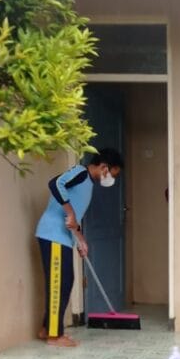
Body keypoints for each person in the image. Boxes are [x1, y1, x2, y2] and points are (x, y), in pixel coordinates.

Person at [35, 148, 124, 347]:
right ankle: (54, 335)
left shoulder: (88, 184)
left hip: (63, 237)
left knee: (64, 281)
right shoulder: (81, 173)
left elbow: (73, 219)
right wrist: (70, 212)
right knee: (60, 283)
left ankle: (45, 328)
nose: (111, 179)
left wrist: (81, 239)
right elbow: (55, 183)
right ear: (104, 167)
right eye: (112, 174)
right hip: (52, 234)